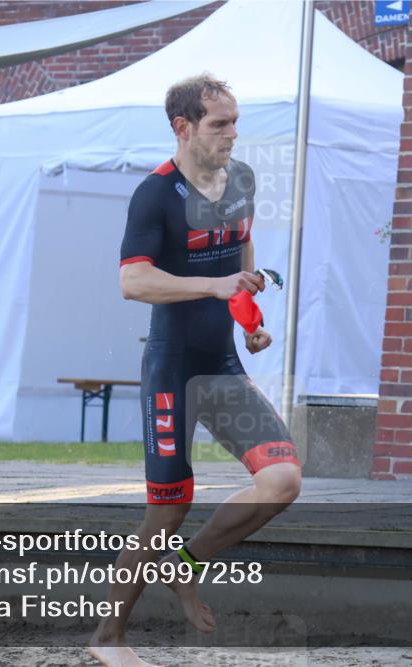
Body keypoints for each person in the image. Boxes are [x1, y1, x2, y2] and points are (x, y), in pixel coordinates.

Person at [88, 73, 302, 667]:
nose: (233, 134)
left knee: (282, 481)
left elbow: (241, 252)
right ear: (183, 127)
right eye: (220, 124)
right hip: (174, 370)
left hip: (223, 364)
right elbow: (133, 282)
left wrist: (248, 313)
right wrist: (212, 285)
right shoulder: (154, 195)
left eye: (235, 121)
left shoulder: (242, 182)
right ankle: (109, 639)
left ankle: (187, 565)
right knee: (167, 510)